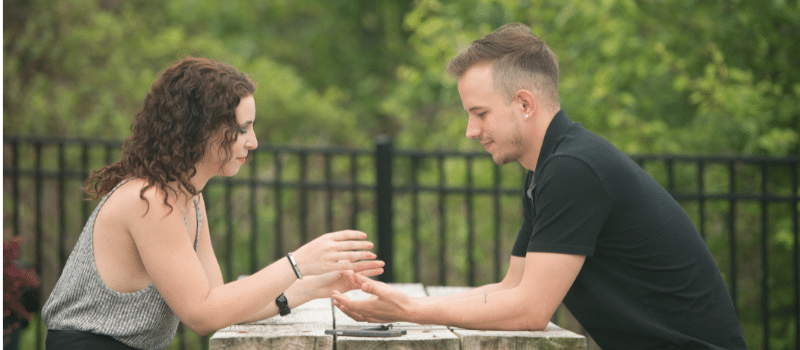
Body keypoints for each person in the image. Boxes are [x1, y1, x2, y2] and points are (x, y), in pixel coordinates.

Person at [332, 23, 747, 349]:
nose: (470, 132)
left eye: (480, 113)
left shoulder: (574, 168)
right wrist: (404, 305)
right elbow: (511, 287)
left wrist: (410, 310)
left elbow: (529, 310)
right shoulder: (548, 168)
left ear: (525, 104)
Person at [41, 57, 384, 350]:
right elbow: (204, 316)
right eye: (243, 129)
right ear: (200, 130)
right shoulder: (149, 200)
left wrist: (316, 286)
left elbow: (221, 302)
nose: (254, 142)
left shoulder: (188, 197)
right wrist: (297, 262)